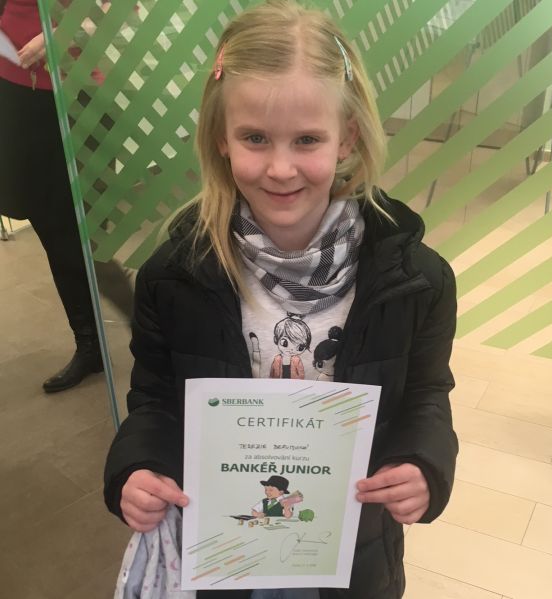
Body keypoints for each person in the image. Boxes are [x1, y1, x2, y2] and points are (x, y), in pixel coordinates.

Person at [103, 1, 458, 598]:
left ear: (347, 136)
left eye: (307, 139)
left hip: (350, 549)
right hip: (225, 546)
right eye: (255, 138)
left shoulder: (416, 281)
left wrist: (423, 463)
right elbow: (155, 398)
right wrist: (136, 468)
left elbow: (426, 393)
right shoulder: (175, 277)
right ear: (221, 138)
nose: (281, 168)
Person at [0, 0, 103, 392]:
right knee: (48, 223)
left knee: (81, 230)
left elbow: (118, 10)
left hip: (73, 92)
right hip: (13, 92)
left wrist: (61, 34)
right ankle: (89, 343)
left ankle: (128, 322)